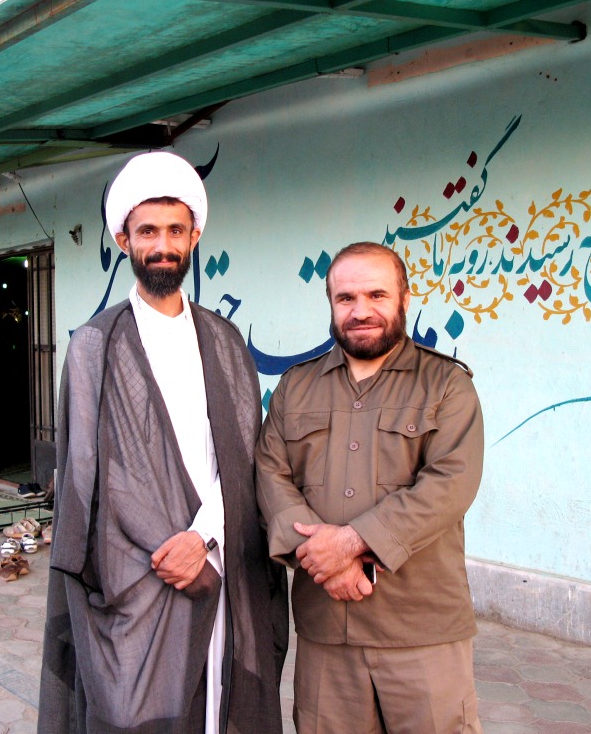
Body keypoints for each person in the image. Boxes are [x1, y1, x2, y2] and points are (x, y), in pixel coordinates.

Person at [39, 151, 287, 734]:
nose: (162, 245)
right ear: (123, 240)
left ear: (195, 237)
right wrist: (164, 546)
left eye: (176, 230)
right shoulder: (93, 346)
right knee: (135, 709)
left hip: (221, 551)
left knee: (222, 701)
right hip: (137, 570)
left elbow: (245, 459)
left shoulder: (225, 340)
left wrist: (204, 537)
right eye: (147, 231)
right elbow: (88, 476)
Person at [255, 241, 484, 734]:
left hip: (421, 630)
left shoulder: (446, 385)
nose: (361, 311)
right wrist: (321, 558)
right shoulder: (295, 387)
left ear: (404, 298)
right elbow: (271, 474)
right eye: (346, 298)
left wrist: (350, 543)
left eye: (377, 295)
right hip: (326, 630)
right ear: (331, 304)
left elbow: (450, 483)